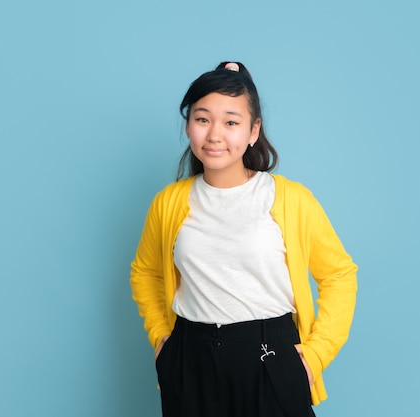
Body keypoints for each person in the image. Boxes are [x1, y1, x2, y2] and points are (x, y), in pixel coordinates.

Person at [130, 61, 357, 417]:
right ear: (189, 126)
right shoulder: (169, 202)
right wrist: (162, 339)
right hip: (189, 359)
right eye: (202, 119)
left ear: (254, 131)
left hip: (271, 356)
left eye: (231, 122)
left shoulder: (291, 199)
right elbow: (145, 272)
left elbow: (339, 274)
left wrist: (316, 354)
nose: (215, 134)